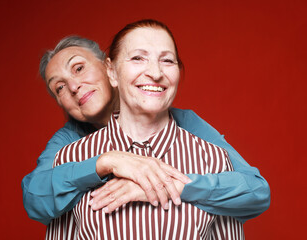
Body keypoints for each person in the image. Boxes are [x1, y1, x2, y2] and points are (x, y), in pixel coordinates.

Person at [21, 28, 270, 225]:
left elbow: (255, 191)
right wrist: (105, 162)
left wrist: (163, 185)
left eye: (79, 68)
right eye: (60, 87)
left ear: (110, 69)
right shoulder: (68, 144)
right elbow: (34, 199)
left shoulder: (184, 123)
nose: (74, 86)